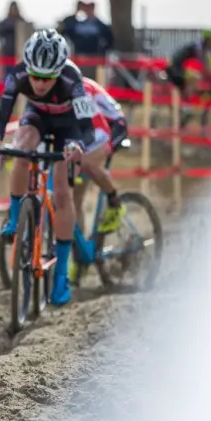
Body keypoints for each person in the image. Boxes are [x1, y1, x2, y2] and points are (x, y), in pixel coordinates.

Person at [0, 29, 99, 306]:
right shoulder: (18, 74)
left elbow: (88, 131)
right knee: (22, 147)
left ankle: (61, 276)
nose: (38, 83)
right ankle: (15, 219)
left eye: (47, 78)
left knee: (61, 193)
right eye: (35, 75)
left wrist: (78, 148)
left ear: (59, 72)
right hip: (37, 119)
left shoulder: (73, 80)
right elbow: (1, 118)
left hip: (68, 128)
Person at [68, 76, 128, 281]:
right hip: (88, 131)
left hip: (112, 126)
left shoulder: (80, 89)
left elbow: (95, 129)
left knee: (87, 163)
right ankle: (80, 257)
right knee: (74, 200)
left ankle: (115, 202)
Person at [165, 29, 211, 99]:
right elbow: (206, 67)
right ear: (208, 39)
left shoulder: (201, 47)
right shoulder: (199, 48)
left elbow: (210, 63)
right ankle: (187, 100)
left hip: (174, 68)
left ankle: (188, 97)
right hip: (174, 69)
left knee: (194, 82)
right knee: (196, 77)